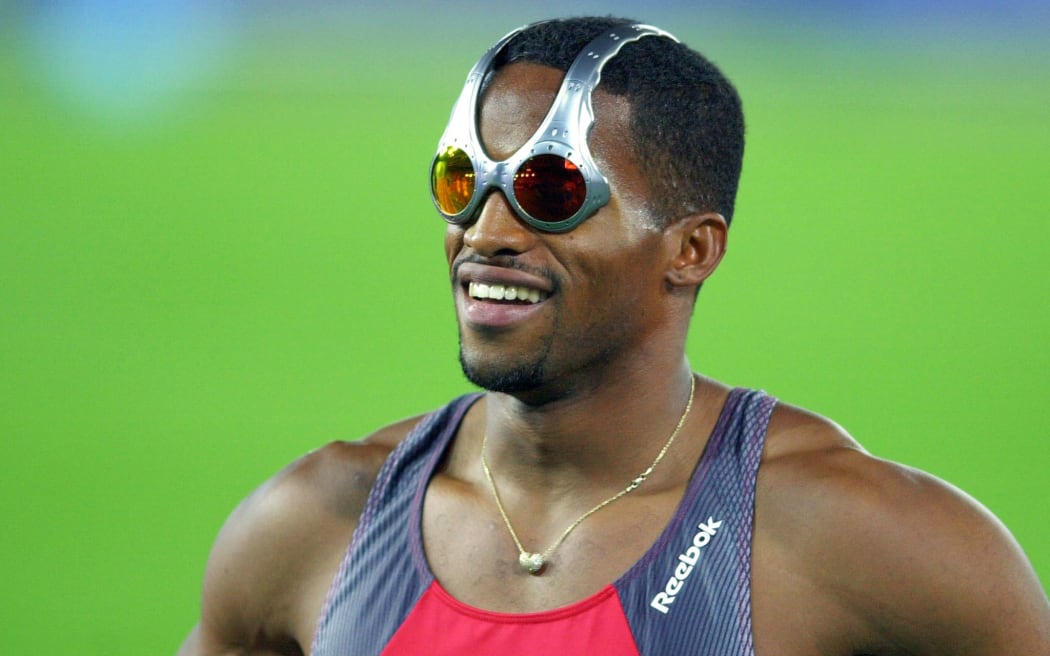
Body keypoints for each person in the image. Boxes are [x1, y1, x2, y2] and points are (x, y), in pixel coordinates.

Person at [178, 16, 1050, 655]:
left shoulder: (845, 537)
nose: (487, 232)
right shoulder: (315, 525)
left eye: (552, 191)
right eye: (461, 184)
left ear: (691, 249)